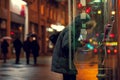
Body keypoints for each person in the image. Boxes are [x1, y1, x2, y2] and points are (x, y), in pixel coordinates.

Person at [51, 14, 96, 80]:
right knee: (71, 76)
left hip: (66, 59)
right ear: (81, 24)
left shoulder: (74, 29)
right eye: (85, 27)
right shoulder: (71, 30)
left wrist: (80, 43)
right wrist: (79, 43)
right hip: (64, 59)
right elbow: (66, 45)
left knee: (70, 76)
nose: (85, 29)